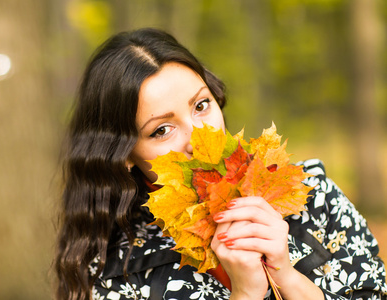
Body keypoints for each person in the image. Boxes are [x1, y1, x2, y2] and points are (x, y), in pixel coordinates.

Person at [55, 28, 387, 300]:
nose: (199, 137)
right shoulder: (115, 266)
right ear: (123, 154)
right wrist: (245, 293)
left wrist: (287, 276)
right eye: (161, 130)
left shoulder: (311, 194)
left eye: (201, 105)